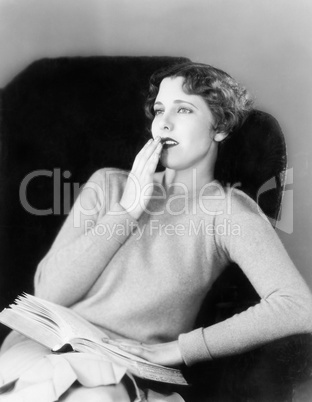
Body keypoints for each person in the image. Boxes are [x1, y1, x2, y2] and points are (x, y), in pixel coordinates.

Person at [0, 61, 312, 401]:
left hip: (120, 364)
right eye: (160, 110)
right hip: (40, 347)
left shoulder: (227, 210)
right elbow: (47, 294)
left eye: (184, 110)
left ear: (219, 127)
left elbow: (297, 307)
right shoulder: (109, 184)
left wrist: (180, 349)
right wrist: (127, 211)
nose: (164, 122)